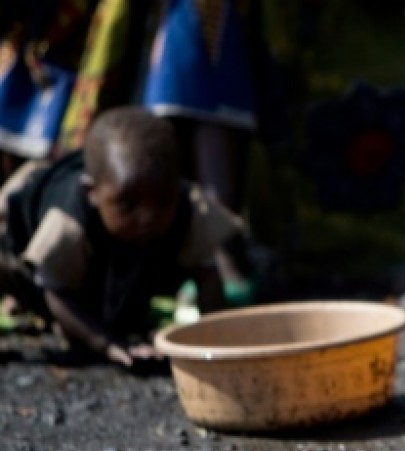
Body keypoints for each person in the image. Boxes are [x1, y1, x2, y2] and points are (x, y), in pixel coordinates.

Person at [0, 106, 247, 370]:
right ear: (92, 193)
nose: (148, 217)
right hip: (25, 257)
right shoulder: (68, 222)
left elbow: (208, 278)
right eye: (128, 205)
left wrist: (217, 344)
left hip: (111, 275)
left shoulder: (188, 208)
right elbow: (56, 291)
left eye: (163, 202)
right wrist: (107, 343)